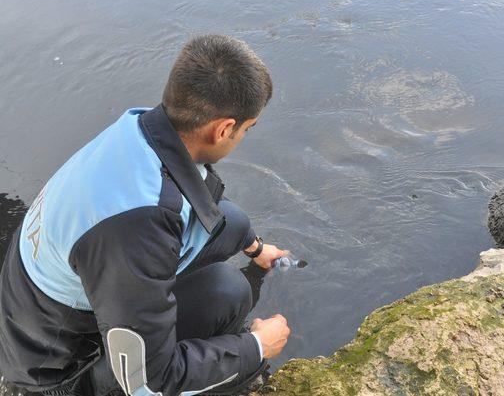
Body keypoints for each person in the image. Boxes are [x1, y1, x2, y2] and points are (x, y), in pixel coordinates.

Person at [0, 34, 291, 396]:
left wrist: (255, 248)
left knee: (228, 224)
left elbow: (216, 217)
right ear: (224, 129)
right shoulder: (138, 225)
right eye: (246, 129)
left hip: (32, 316)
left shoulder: (139, 131)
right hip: (55, 374)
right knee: (227, 292)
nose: (243, 137)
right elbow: (149, 381)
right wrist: (256, 346)